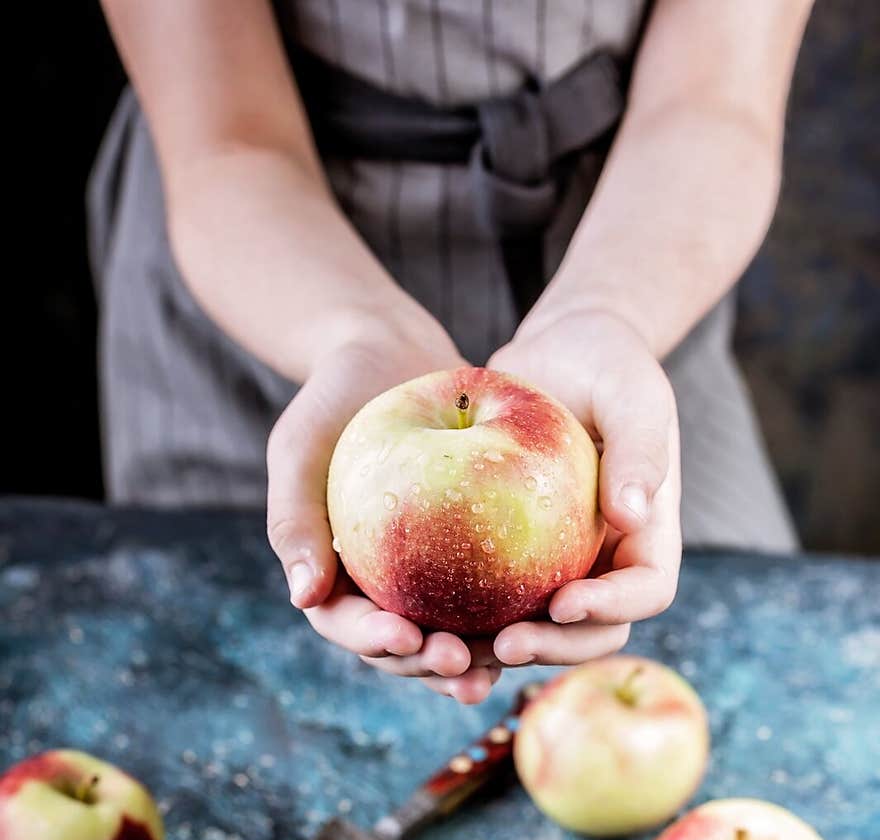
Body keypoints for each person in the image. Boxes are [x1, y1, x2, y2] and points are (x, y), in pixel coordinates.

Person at [92, 0, 809, 703]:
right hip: (265, 261)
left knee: (737, 666)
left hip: (635, 246)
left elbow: (714, 102)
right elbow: (228, 137)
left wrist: (606, 312)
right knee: (206, 683)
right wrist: (354, 336)